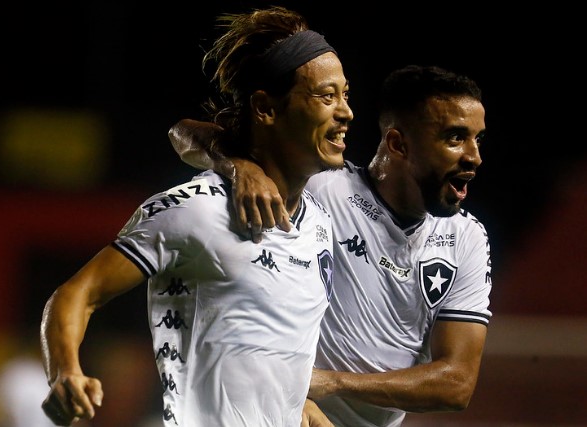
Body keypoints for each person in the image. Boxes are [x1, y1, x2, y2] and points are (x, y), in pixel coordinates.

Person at [40, 6, 354, 427]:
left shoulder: (319, 223)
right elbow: (78, 294)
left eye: (346, 95)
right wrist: (65, 372)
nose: (346, 111)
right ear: (266, 108)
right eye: (326, 96)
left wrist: (294, 405)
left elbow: (261, 356)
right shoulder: (195, 209)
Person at [168, 64, 493, 427]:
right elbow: (184, 133)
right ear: (398, 144)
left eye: (477, 139)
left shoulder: (467, 239)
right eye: (455, 137)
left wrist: (330, 382)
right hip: (271, 413)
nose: (474, 156)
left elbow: (456, 384)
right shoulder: (322, 186)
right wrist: (240, 166)